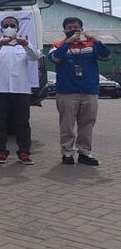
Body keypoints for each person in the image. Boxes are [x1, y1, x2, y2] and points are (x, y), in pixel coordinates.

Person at [49, 17, 112, 166]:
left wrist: (96, 41)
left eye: (76, 27)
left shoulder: (91, 44)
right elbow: (55, 59)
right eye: (69, 28)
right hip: (67, 91)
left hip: (89, 91)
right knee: (67, 124)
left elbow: (107, 56)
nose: (73, 30)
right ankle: (67, 153)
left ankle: (84, 153)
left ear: (82, 29)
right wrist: (67, 44)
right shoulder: (58, 45)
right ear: (64, 31)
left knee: (87, 123)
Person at [0, 16, 41, 164]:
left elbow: (36, 57)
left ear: (17, 28)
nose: (9, 27)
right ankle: (1, 151)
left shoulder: (24, 44)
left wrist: (26, 44)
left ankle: (24, 152)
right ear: (1, 28)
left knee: (22, 123)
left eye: (12, 25)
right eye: (6, 25)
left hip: (21, 90)